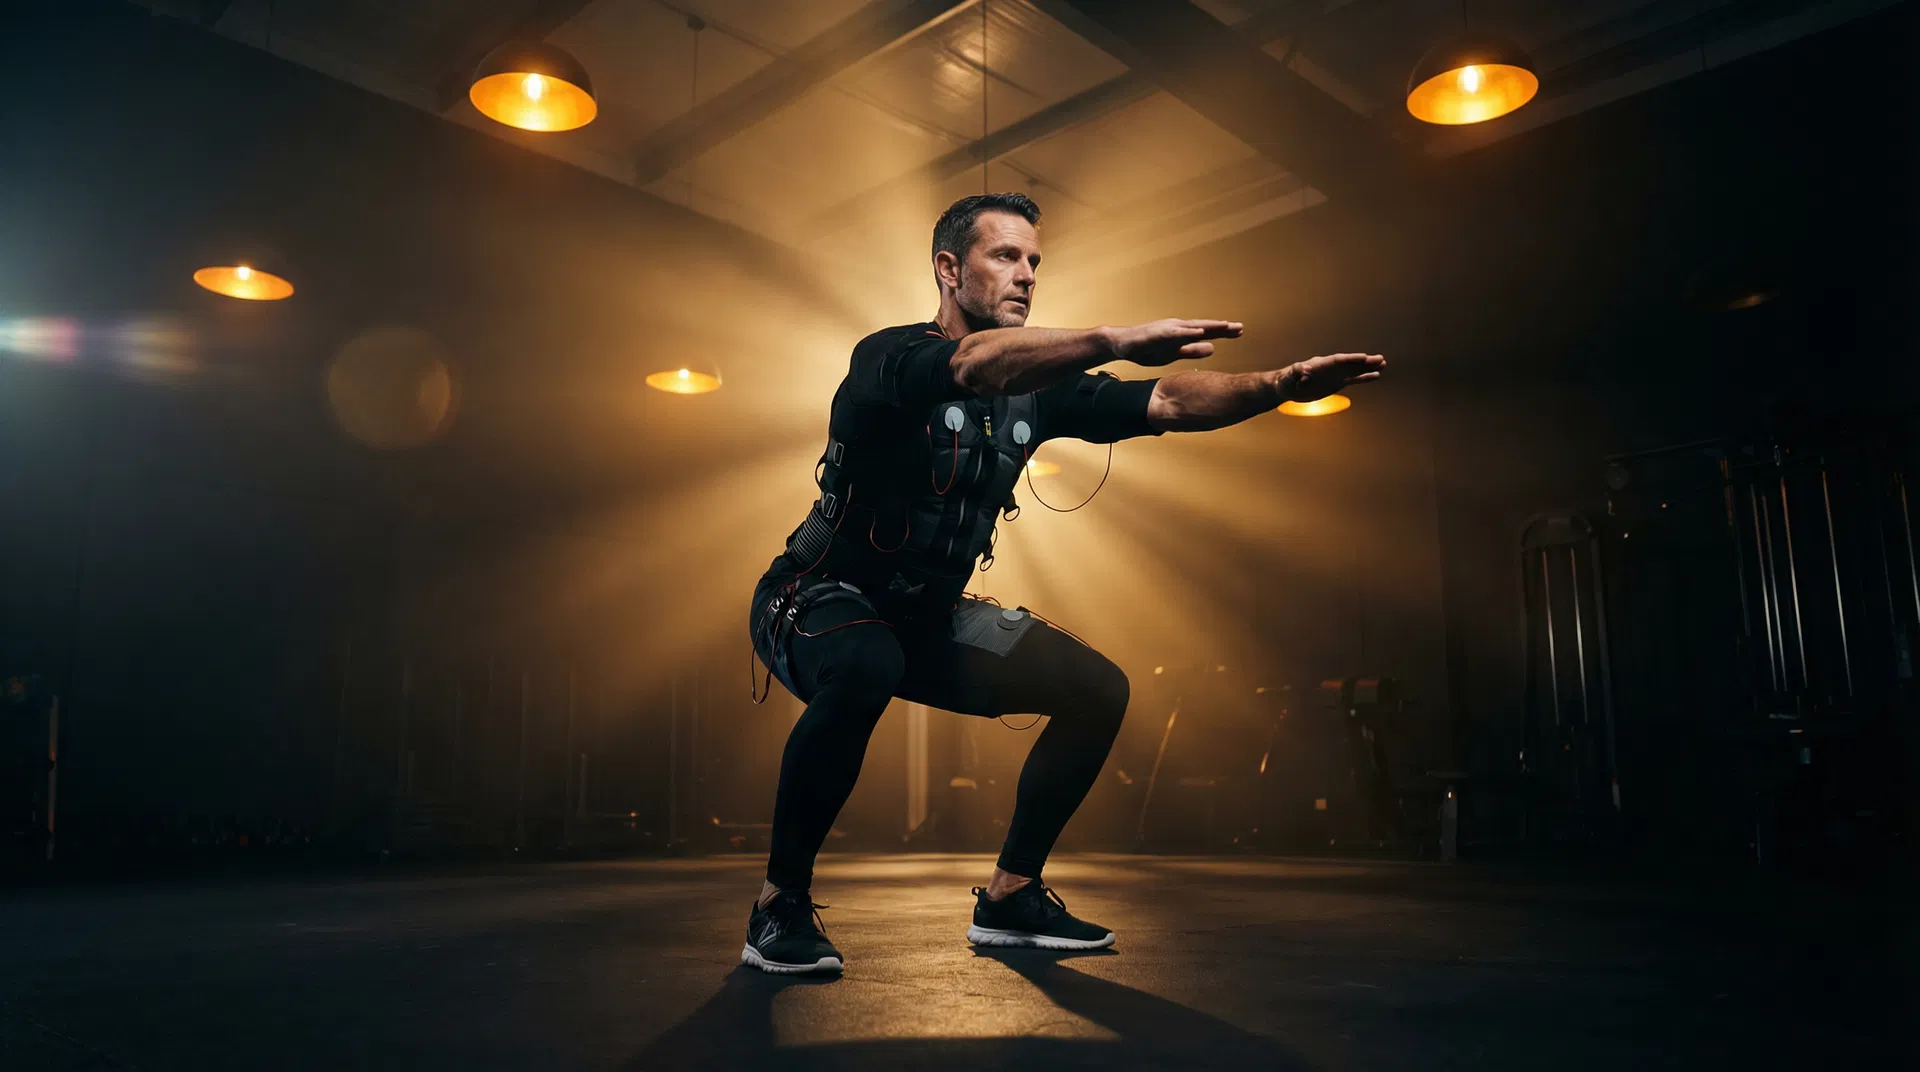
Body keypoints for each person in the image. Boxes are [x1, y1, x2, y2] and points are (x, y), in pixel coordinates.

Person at [743, 192, 1385, 974]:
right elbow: (971, 366)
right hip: (814, 593)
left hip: (925, 617)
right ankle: (778, 907)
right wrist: (1113, 338)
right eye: (1005, 256)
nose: (1026, 276)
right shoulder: (890, 357)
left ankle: (1012, 895)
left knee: (1097, 688)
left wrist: (1279, 384)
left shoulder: (1037, 391)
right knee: (864, 662)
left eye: (1035, 261)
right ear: (949, 269)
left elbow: (1172, 399)